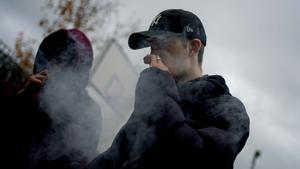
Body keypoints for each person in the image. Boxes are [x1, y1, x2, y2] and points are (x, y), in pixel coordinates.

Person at [87, 9, 249, 169]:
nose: (153, 54)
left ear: (193, 47)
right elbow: (113, 158)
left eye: (162, 43)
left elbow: (192, 156)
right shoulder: (157, 96)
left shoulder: (228, 109)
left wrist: (159, 87)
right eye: (152, 45)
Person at [3, 29, 102, 169]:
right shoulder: (30, 91)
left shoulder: (88, 112)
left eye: (63, 62)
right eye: (52, 58)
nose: (53, 67)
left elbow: (80, 160)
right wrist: (23, 98)